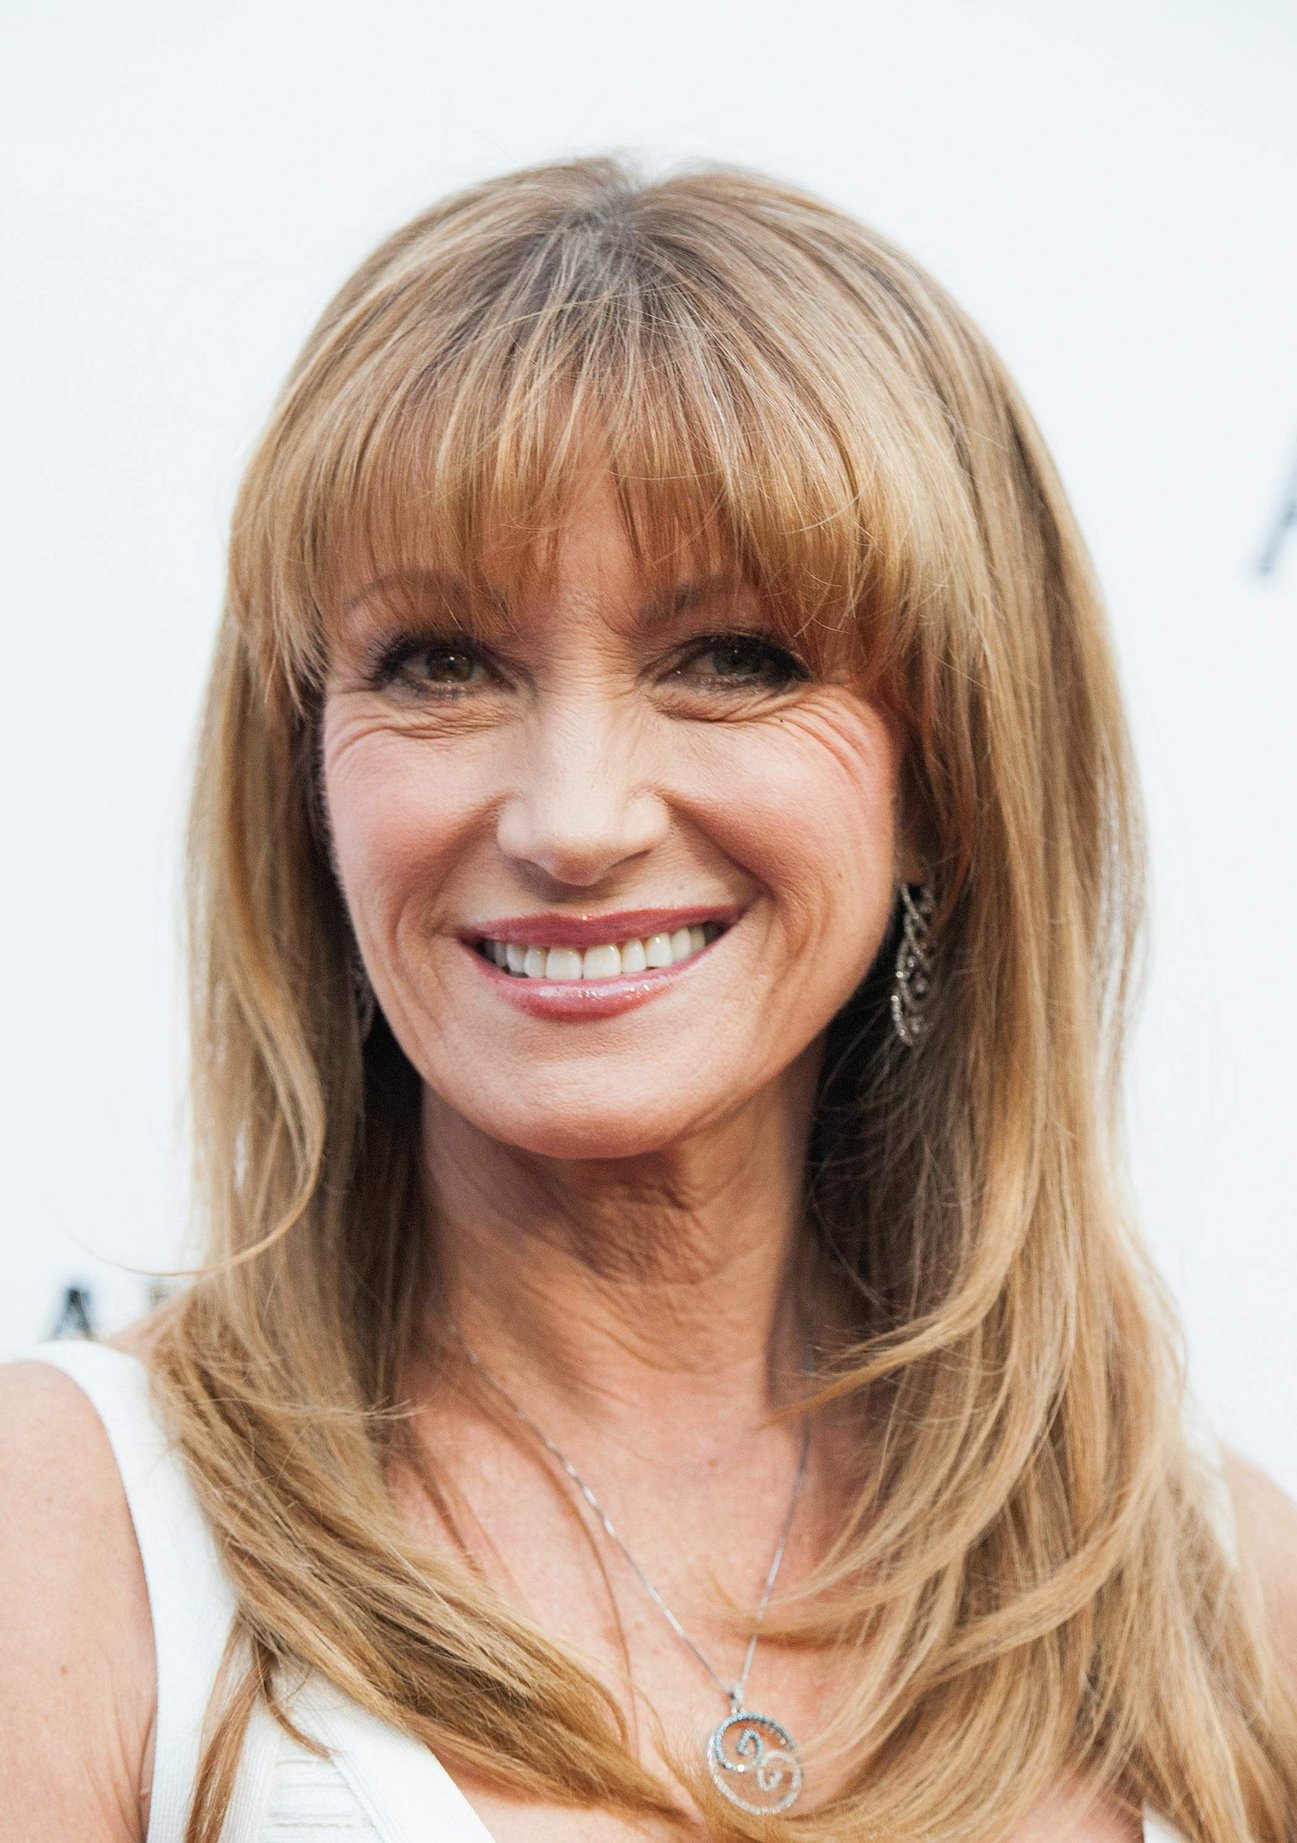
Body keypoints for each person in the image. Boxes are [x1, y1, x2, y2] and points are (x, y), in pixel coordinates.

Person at [1, 155, 1294, 1843]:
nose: (574, 818)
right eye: (440, 664)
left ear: (946, 785)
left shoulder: (1225, 1609)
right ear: (306, 781)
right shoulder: (66, 1541)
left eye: (735, 659)